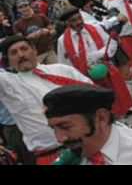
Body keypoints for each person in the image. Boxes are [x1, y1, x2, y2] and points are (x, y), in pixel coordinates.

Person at [0, 35, 94, 164]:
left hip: (90, 144)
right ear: (8, 61)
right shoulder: (8, 84)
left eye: (24, 49)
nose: (21, 55)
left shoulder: (62, 70)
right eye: (14, 53)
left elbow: (93, 94)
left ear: (34, 50)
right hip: (51, 155)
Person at [56, 6, 132, 118]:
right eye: (73, 20)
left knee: (117, 98)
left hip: (105, 70)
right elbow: (64, 64)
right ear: (67, 23)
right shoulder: (62, 41)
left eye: (79, 18)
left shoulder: (95, 28)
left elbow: (111, 43)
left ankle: (124, 114)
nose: (78, 22)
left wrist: (100, 55)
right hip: (85, 79)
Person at [14, 0, 57, 65]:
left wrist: (48, 31)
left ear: (29, 6)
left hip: (49, 51)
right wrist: (31, 36)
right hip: (34, 55)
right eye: (21, 7)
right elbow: (20, 42)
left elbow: (53, 31)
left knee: (56, 72)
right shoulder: (17, 24)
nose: (24, 8)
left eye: (25, 5)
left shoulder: (41, 16)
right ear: (18, 10)